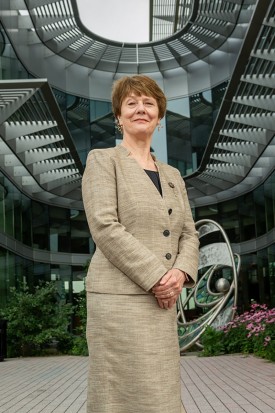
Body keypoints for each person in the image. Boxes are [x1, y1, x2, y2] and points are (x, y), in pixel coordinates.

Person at [82, 75, 199, 413]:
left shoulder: (173, 176)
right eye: (131, 103)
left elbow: (189, 233)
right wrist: (157, 277)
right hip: (119, 303)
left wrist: (179, 273)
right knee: (119, 397)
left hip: (162, 304)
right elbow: (105, 226)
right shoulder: (103, 161)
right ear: (118, 116)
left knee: (160, 394)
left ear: (159, 117)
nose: (140, 109)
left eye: (148, 103)